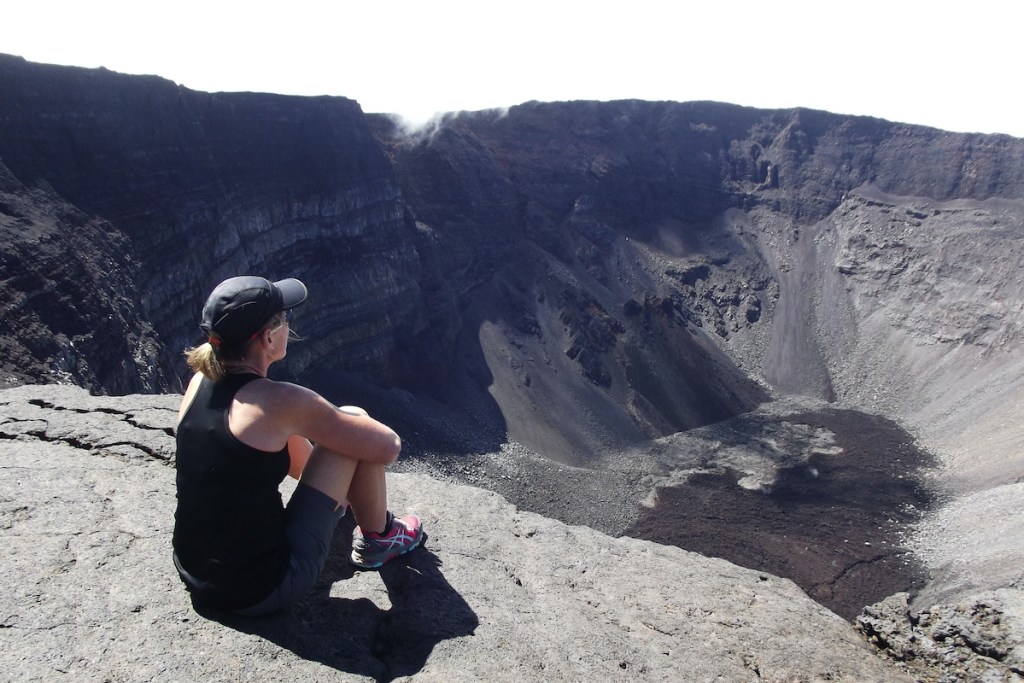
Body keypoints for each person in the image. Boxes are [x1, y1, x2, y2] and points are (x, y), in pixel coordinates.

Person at [172, 275, 424, 615]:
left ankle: (353, 510)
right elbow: (387, 446)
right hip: (263, 588)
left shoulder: (200, 381)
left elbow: (291, 456)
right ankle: (380, 539)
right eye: (284, 319)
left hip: (197, 575)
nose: (289, 326)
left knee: (325, 432)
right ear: (268, 337)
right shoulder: (280, 402)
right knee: (353, 419)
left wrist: (338, 493)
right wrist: (335, 432)